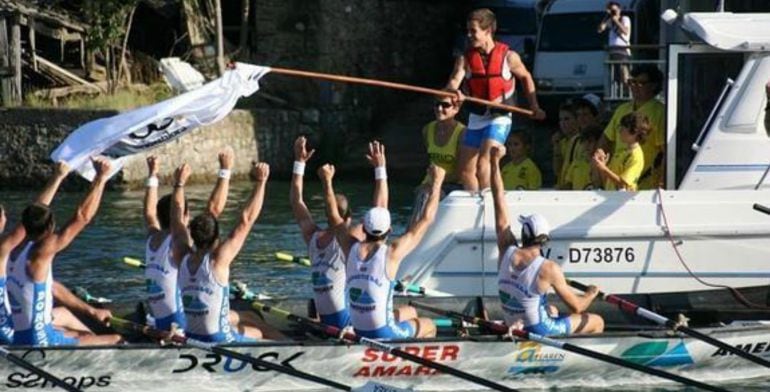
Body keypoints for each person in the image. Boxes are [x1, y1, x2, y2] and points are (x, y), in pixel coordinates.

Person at [7, 158, 122, 346]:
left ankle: (90, 342)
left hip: (22, 333)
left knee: (65, 316)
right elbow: (82, 217)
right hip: (40, 339)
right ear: (51, 226)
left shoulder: (11, 248)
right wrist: (101, 177)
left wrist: (58, 176)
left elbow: (36, 209)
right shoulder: (41, 252)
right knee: (117, 340)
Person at [490, 146, 604, 336]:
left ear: (524, 234)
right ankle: (570, 360)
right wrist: (590, 294)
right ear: (545, 241)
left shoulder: (506, 249)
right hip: (538, 330)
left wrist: (494, 162)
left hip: (516, 323)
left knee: (551, 309)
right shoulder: (549, 269)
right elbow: (577, 307)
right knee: (595, 321)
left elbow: (498, 199)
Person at [331, 156, 446, 340]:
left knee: (410, 311)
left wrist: (327, 183)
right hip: (383, 332)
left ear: (364, 228)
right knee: (429, 325)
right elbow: (426, 219)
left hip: (357, 329)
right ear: (390, 231)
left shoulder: (348, 245)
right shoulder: (392, 252)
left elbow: (334, 216)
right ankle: (406, 366)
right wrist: (437, 182)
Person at [171, 160, 274, 342]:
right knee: (259, 333)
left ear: (192, 236)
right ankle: (296, 349)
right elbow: (245, 221)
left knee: (249, 317)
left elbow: (176, 221)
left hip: (191, 336)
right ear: (217, 237)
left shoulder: (182, 256)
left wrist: (179, 184)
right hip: (220, 340)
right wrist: (262, 182)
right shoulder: (218, 260)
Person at [446, 8, 546, 192]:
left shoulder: (509, 57)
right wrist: (453, 92)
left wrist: (534, 106)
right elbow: (454, 81)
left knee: (485, 162)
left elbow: (526, 77)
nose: (469, 35)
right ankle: (476, 202)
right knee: (466, 171)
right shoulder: (465, 59)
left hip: (500, 116)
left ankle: (491, 205)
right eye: (468, 30)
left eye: (473, 31)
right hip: (477, 117)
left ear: (488, 31)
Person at [143, 148, 233, 332]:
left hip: (160, 322)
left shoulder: (152, 238)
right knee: (243, 319)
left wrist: (153, 174)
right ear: (184, 216)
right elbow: (213, 212)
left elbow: (149, 212)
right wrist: (225, 171)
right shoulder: (178, 242)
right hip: (181, 324)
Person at [289, 136, 363, 329]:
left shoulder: (312, 236)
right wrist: (326, 183)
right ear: (348, 217)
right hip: (346, 320)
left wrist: (299, 163)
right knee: (407, 313)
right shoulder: (348, 239)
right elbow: (381, 208)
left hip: (326, 318)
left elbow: (296, 202)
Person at [598, 65, 665, 190]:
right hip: (614, 182)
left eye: (641, 83)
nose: (635, 86)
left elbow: (665, 151)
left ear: (654, 85)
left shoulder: (660, 112)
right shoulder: (622, 109)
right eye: (632, 82)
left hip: (643, 184)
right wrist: (599, 153)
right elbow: (606, 139)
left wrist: (662, 183)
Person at [593, 112, 648, 191]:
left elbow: (623, 184)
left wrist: (603, 168)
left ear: (634, 132)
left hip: (622, 201)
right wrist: (602, 165)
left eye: (623, 128)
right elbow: (608, 181)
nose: (619, 131)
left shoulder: (636, 156)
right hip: (611, 198)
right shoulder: (621, 153)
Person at [597, 1, 631, 93]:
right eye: (611, 10)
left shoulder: (625, 19)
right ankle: (619, 92)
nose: (613, 12)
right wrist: (606, 17)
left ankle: (628, 92)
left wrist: (616, 20)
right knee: (615, 75)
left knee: (624, 74)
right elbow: (600, 29)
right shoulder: (609, 21)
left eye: (614, 10)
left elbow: (625, 31)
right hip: (612, 51)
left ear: (619, 10)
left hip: (622, 50)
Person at [563, 126, 603, 190]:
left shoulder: (603, 164)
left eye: (590, 141)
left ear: (598, 142)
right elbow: (568, 185)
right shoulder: (576, 163)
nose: (586, 145)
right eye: (583, 142)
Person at [552, 101, 578, 188]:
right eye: (560, 120)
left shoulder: (582, 142)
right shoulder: (562, 143)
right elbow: (557, 171)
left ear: (577, 119)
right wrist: (556, 146)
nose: (563, 123)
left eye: (567, 119)